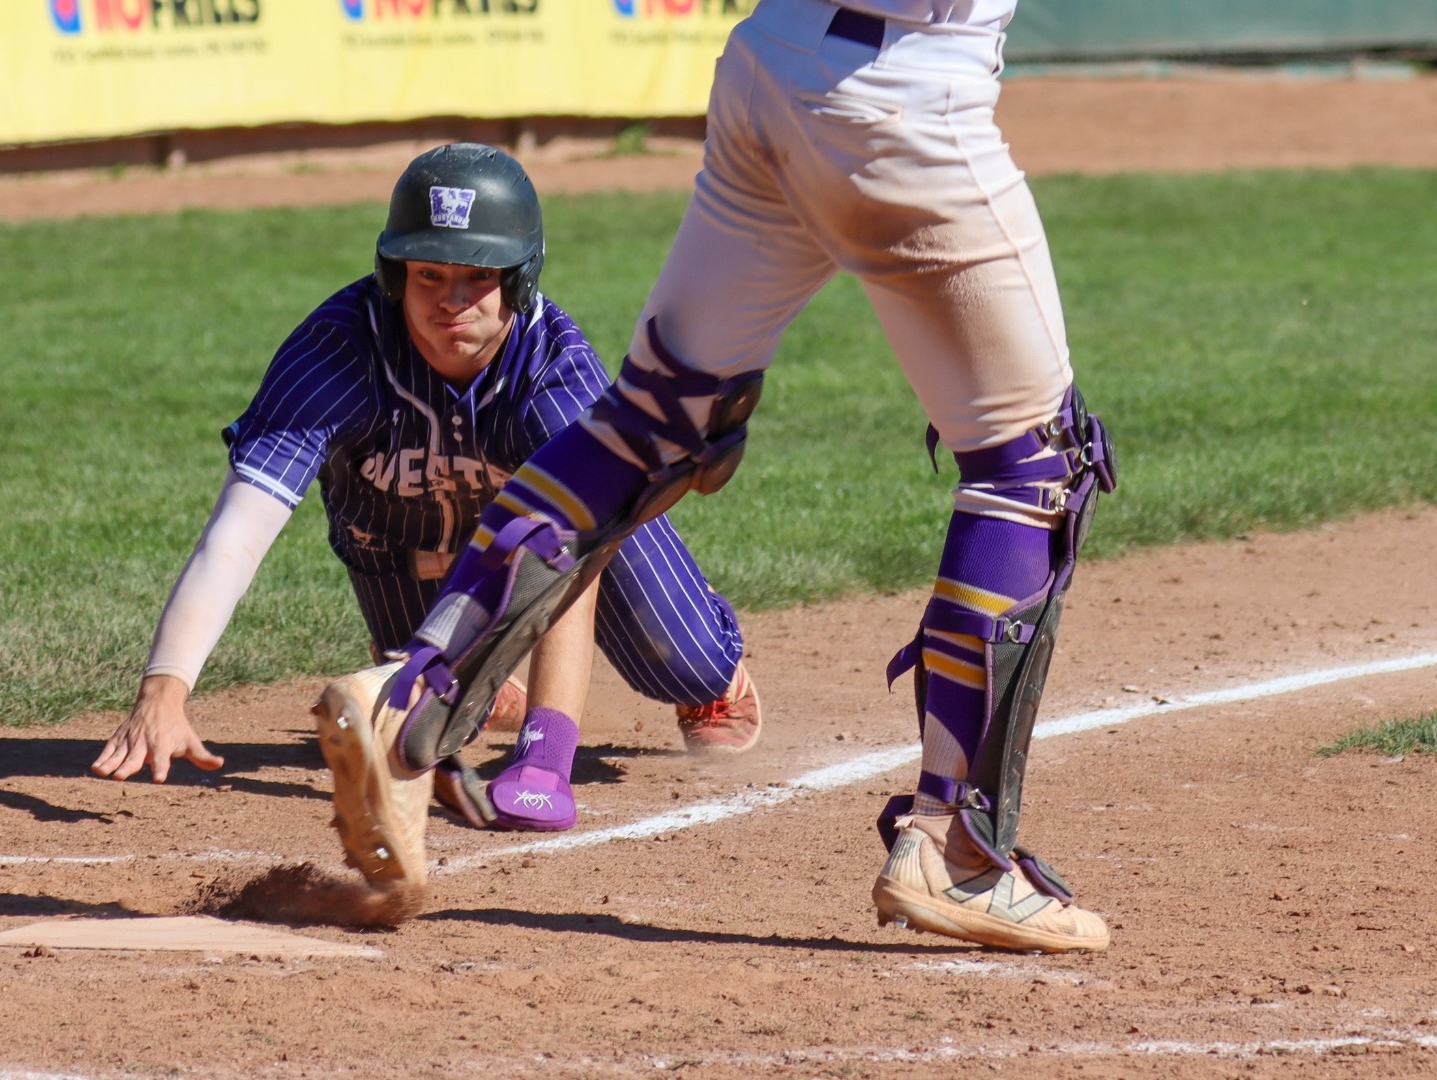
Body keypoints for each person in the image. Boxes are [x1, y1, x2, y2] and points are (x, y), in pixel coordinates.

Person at [318, 1, 1118, 952]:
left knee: (647, 424)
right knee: (1031, 467)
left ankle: (410, 694)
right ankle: (958, 849)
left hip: (771, 66)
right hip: (909, 86)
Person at [92, 143, 761, 836]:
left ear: (521, 279)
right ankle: (481, 668)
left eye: (479, 276)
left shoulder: (552, 371)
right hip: (397, 548)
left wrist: (545, 756)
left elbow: (578, 553)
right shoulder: (335, 356)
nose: (451, 300)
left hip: (566, 545)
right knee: (427, 729)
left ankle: (712, 671)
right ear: (394, 274)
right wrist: (164, 690)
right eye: (429, 274)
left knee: (680, 661)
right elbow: (237, 533)